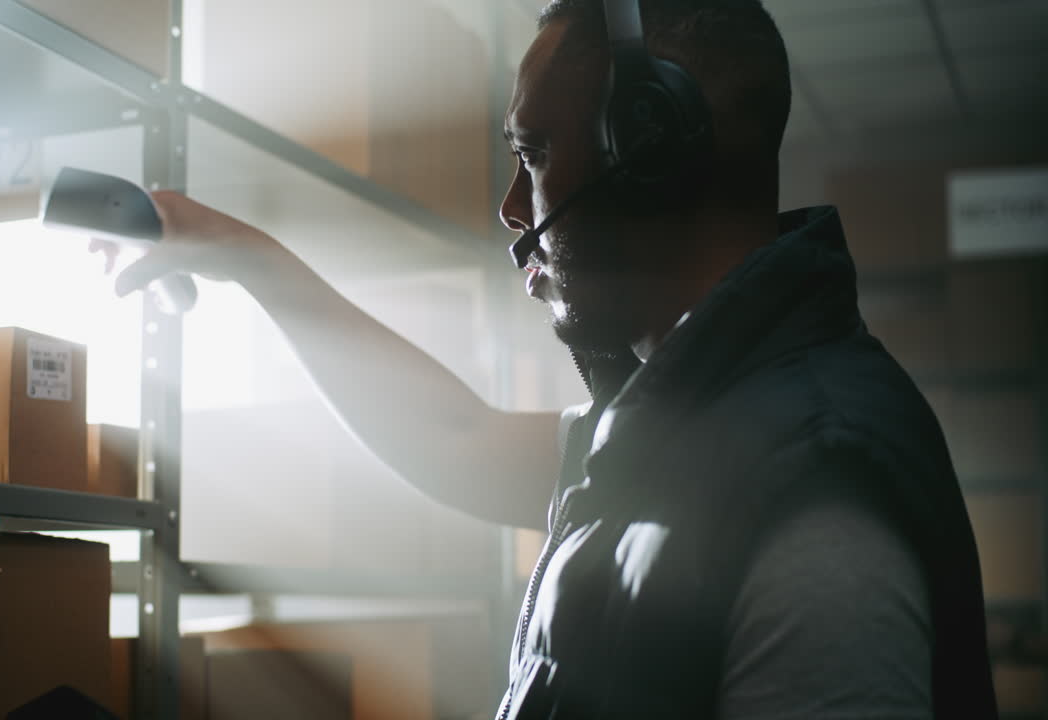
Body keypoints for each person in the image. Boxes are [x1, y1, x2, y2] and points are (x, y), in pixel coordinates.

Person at [112, 0, 998, 717]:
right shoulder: (688, 417)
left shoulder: (813, 497)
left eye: (531, 156)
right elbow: (456, 437)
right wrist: (251, 261)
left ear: (646, 150)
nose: (509, 206)